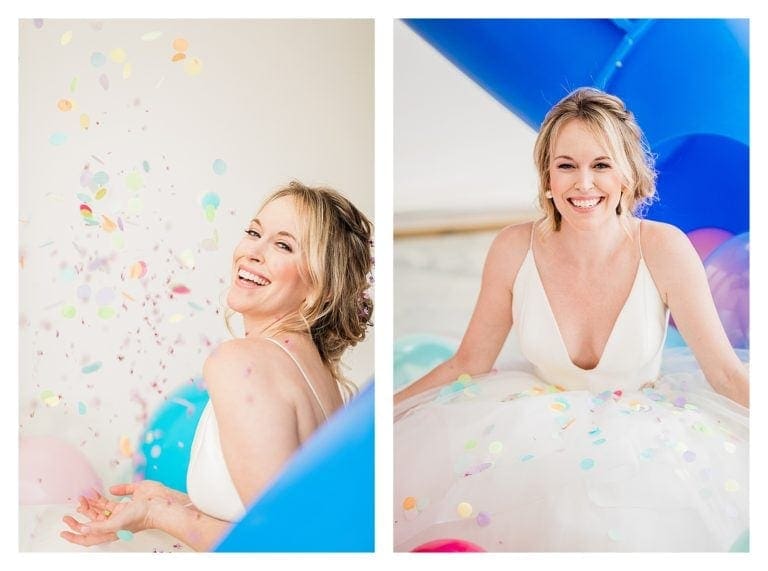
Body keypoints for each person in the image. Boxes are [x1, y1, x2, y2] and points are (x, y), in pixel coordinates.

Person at [394, 87, 749, 552]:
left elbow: (723, 372)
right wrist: (383, 421)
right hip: (528, 434)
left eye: (601, 165)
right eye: (567, 166)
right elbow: (469, 361)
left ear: (627, 175)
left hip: (647, 444)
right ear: (547, 176)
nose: (583, 184)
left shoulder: (665, 248)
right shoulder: (512, 248)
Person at [61, 181, 374, 551]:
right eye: (254, 233)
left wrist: (160, 516)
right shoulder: (323, 377)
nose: (252, 252)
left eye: (283, 245)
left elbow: (281, 546)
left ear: (319, 286)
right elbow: (277, 517)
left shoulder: (242, 361)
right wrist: (164, 501)